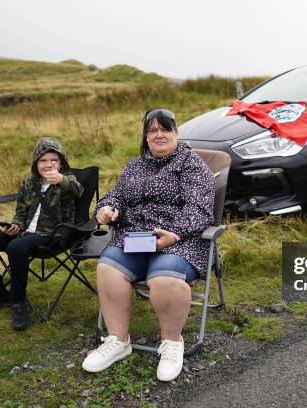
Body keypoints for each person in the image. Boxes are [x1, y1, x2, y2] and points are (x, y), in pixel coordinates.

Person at [82, 108, 215, 382]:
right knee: (108, 268)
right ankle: (118, 341)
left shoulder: (191, 164)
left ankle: (171, 344)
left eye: (165, 129)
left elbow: (200, 210)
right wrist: (106, 209)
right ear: (146, 136)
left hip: (180, 240)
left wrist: (174, 234)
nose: (159, 134)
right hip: (135, 239)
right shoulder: (135, 165)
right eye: (152, 130)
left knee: (165, 278)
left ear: (176, 132)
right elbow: (115, 195)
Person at [0, 137, 83, 330]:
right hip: (23, 234)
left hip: (53, 237)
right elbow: (20, 214)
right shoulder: (28, 184)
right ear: (36, 163)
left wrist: (61, 180)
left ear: (61, 163)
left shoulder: (68, 180)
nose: (48, 164)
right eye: (43, 160)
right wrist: (14, 226)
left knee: (16, 246)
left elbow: (77, 191)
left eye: (53, 160)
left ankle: (18, 302)